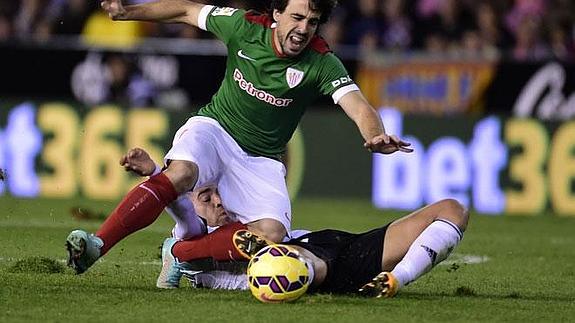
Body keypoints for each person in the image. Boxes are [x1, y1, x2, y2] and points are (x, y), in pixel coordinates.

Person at [66, 0, 412, 277]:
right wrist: (129, 12)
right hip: (215, 129)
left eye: (312, 21)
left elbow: (359, 106)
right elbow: (187, 10)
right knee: (183, 173)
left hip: (261, 159)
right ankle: (98, 244)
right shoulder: (243, 27)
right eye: (297, 17)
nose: (303, 29)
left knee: (271, 234)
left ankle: (180, 254)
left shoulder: (322, 62)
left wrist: (375, 135)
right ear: (276, 14)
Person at [171, 191, 469, 298]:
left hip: (334, 243)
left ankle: (395, 279)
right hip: (307, 266)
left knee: (452, 209)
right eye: (206, 198)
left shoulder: (243, 213)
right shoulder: (191, 238)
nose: (219, 201)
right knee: (287, 263)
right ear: (187, 207)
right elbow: (185, 255)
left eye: (217, 192)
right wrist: (174, 252)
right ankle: (290, 263)